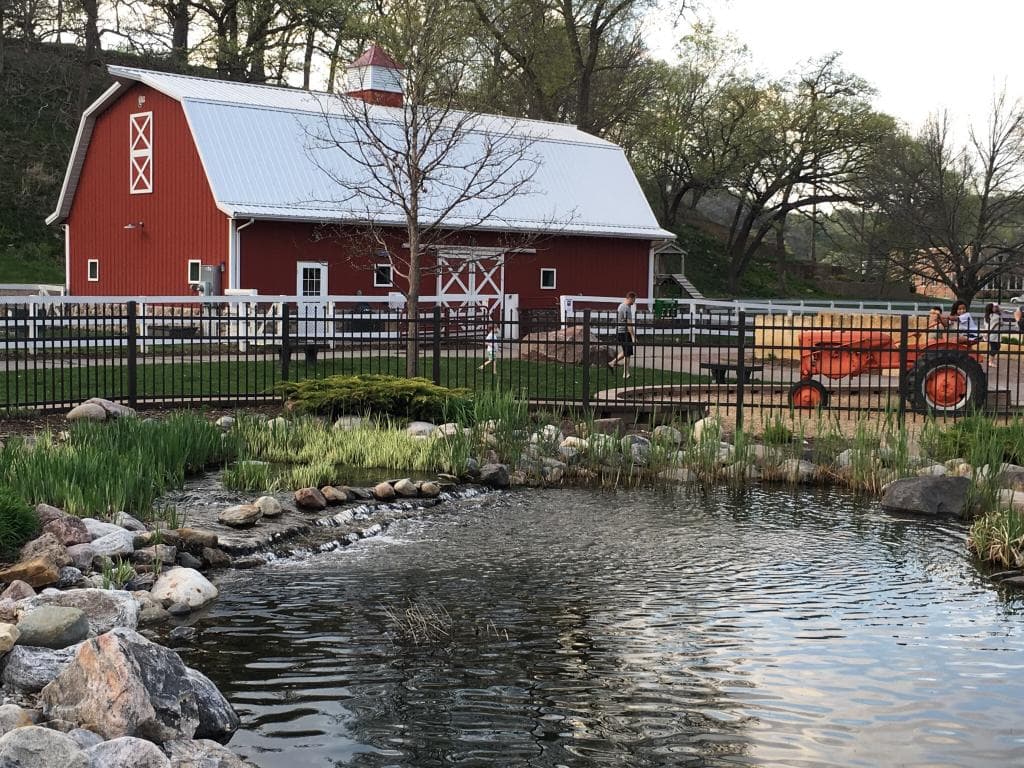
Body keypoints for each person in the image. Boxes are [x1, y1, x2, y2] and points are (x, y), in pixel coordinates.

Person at [608, 291, 637, 379]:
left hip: (620, 332)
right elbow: (629, 323)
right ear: (630, 298)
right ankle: (626, 373)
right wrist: (633, 336)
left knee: (626, 351)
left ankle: (612, 363)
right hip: (624, 332)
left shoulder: (621, 305)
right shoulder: (626, 308)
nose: (634, 302)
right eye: (634, 299)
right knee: (628, 353)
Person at [984, 302, 1003, 368]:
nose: (996, 308)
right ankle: (990, 362)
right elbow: (1002, 323)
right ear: (991, 308)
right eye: (994, 307)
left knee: (994, 347)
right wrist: (999, 311)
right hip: (994, 335)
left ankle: (990, 360)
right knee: (995, 347)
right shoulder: (996, 316)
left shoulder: (987, 316)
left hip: (989, 334)